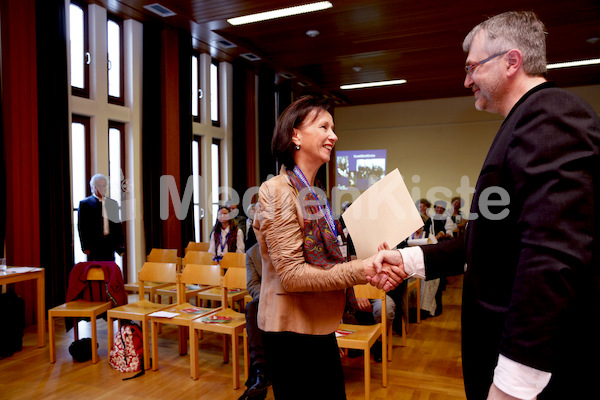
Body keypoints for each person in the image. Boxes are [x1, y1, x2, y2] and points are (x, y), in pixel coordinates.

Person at [375, 11, 600, 400]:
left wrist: (514, 383)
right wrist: (409, 261)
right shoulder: (525, 119)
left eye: (472, 67)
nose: (466, 80)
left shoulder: (553, 114)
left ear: (512, 62)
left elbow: (553, 257)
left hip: (535, 375)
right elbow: (487, 241)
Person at [254, 95, 405, 399]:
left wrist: (369, 256)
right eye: (323, 126)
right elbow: (293, 275)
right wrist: (359, 270)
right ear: (295, 134)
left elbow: (326, 257)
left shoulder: (316, 192)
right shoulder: (278, 191)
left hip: (318, 322)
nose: (333, 136)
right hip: (290, 329)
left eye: (333, 128)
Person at [238, 243, 270, 400]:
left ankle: (258, 380)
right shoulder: (252, 253)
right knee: (252, 308)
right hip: (266, 300)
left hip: (290, 298)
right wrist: (269, 300)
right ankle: (261, 370)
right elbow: (252, 284)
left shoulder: (287, 244)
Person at [77, 174, 124, 261]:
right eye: (99, 186)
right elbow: (82, 227)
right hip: (94, 245)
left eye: (104, 186)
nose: (102, 188)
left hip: (109, 243)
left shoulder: (112, 204)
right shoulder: (85, 204)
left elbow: (117, 225)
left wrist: (120, 243)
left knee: (109, 270)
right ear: (93, 187)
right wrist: (85, 246)